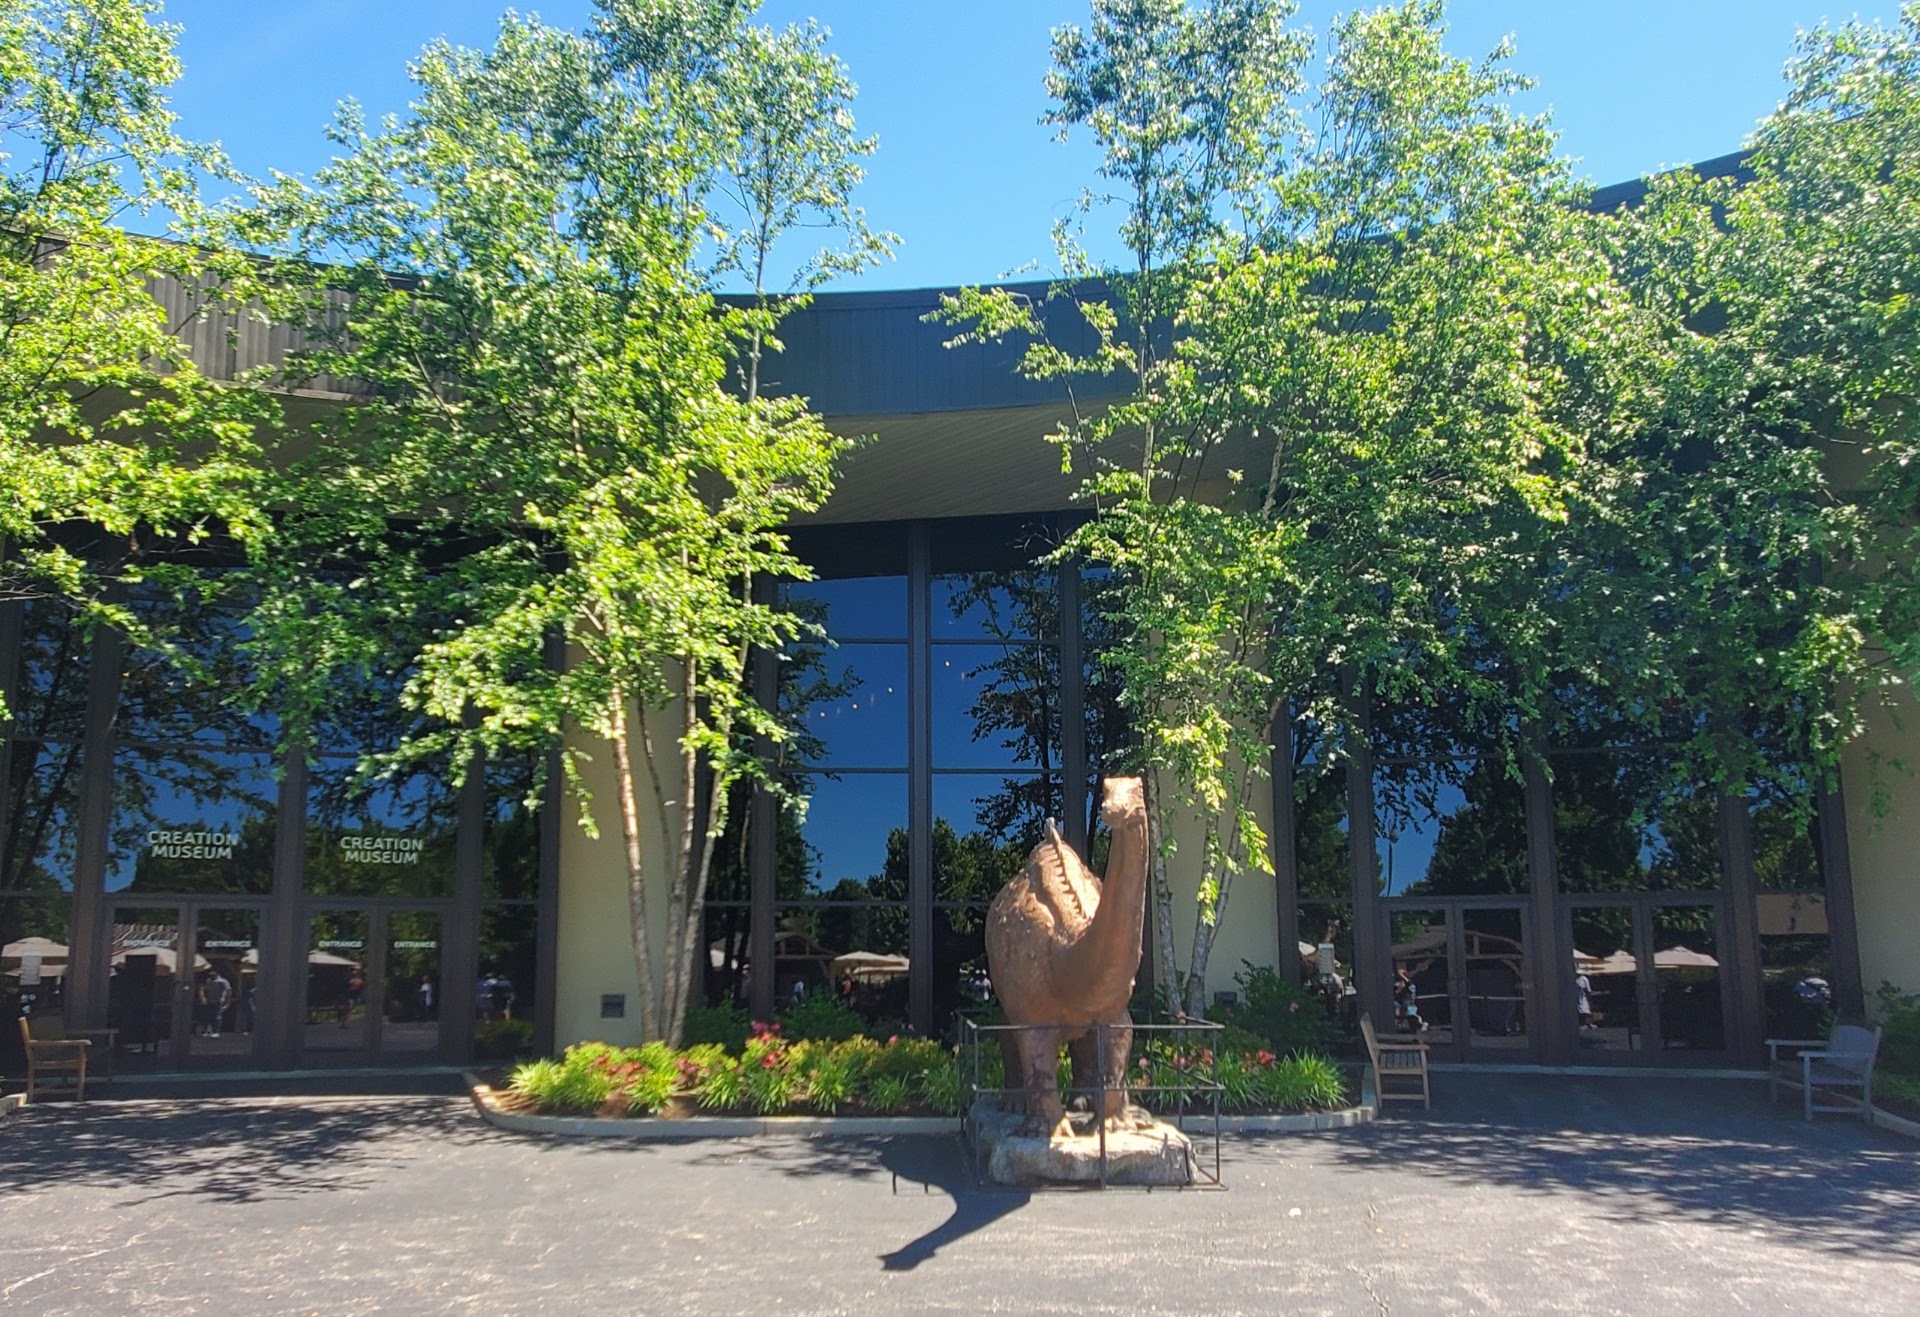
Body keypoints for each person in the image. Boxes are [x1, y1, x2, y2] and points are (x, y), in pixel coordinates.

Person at [202, 970, 231, 1038]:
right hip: (210, 1001)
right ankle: (208, 1031)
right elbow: (205, 990)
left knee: (217, 1017)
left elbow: (228, 991)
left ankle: (216, 1031)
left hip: (219, 1001)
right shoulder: (208, 981)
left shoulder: (223, 981)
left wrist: (227, 1002)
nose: (211, 976)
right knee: (208, 1016)